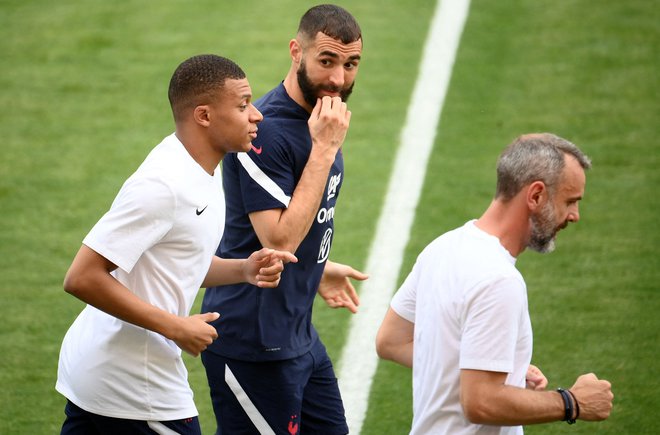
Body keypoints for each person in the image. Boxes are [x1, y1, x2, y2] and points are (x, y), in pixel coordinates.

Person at [55, 54, 297, 435]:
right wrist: (176, 327)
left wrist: (242, 269)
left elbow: (176, 262)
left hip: (108, 375)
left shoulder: (203, 168)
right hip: (135, 384)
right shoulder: (163, 186)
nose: (257, 116)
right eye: (242, 104)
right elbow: (82, 277)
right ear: (204, 115)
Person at [200, 4, 368, 434]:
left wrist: (317, 268)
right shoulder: (266, 130)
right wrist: (325, 149)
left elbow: (297, 223)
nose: (337, 79)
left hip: (297, 334)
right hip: (252, 340)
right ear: (297, 51)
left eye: (350, 65)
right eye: (326, 61)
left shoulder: (317, 118)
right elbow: (279, 241)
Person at [376, 133, 614, 434]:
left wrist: (491, 367)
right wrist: (572, 402)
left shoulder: (442, 247)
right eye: (570, 201)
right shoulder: (499, 281)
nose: (574, 216)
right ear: (536, 195)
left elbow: (391, 341)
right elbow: (480, 402)